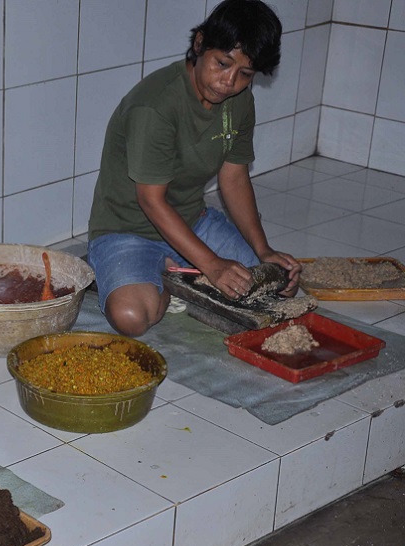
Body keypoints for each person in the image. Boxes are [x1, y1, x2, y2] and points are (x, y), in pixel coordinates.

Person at [87, 0, 301, 337]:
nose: (228, 82)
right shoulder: (155, 105)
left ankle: (184, 270)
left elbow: (234, 177)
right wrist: (212, 265)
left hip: (193, 221)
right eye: (222, 63)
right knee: (131, 316)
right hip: (128, 230)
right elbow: (151, 202)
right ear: (199, 44)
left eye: (244, 74)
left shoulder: (239, 101)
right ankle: (174, 277)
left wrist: (264, 252)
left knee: (269, 288)